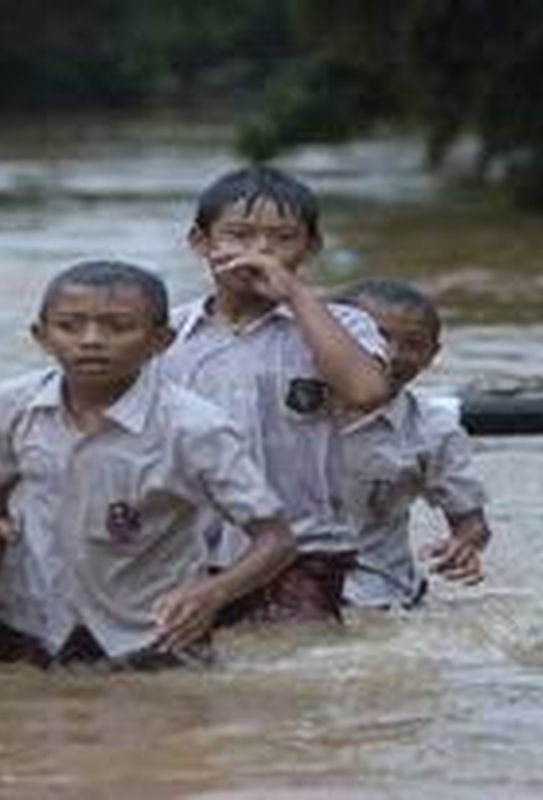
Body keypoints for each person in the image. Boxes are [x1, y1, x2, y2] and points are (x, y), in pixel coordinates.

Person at [0, 260, 296, 669]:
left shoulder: (195, 428)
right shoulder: (11, 405)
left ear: (161, 340)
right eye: (69, 326)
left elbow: (275, 540)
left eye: (118, 327)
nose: (90, 341)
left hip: (151, 632)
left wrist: (212, 593)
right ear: (41, 336)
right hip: (32, 621)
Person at [160, 164, 392, 624]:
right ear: (201, 242)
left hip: (305, 550)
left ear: (310, 247)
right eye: (239, 235)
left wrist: (295, 295)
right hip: (186, 552)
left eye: (282, 238)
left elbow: (366, 392)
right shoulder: (165, 334)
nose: (260, 251)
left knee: (292, 668)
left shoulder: (342, 326)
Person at [333, 279, 491, 609]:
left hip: (379, 594)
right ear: (329, 335)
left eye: (413, 344)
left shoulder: (434, 431)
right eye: (378, 336)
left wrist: (462, 545)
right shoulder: (280, 405)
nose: (392, 355)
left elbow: (471, 523)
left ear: (432, 355)